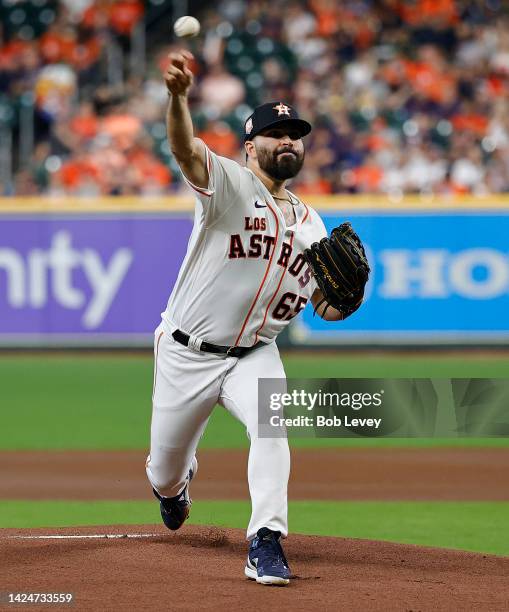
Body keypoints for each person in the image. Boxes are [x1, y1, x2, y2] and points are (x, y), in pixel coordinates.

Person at [145, 50, 346, 586]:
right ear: (251, 145)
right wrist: (178, 97)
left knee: (272, 427)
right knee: (163, 471)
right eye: (276, 132)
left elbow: (327, 307)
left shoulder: (312, 224)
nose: (287, 140)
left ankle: (266, 542)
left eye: (295, 133)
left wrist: (349, 297)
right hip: (187, 350)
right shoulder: (230, 186)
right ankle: (175, 487)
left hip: (256, 353)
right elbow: (184, 149)